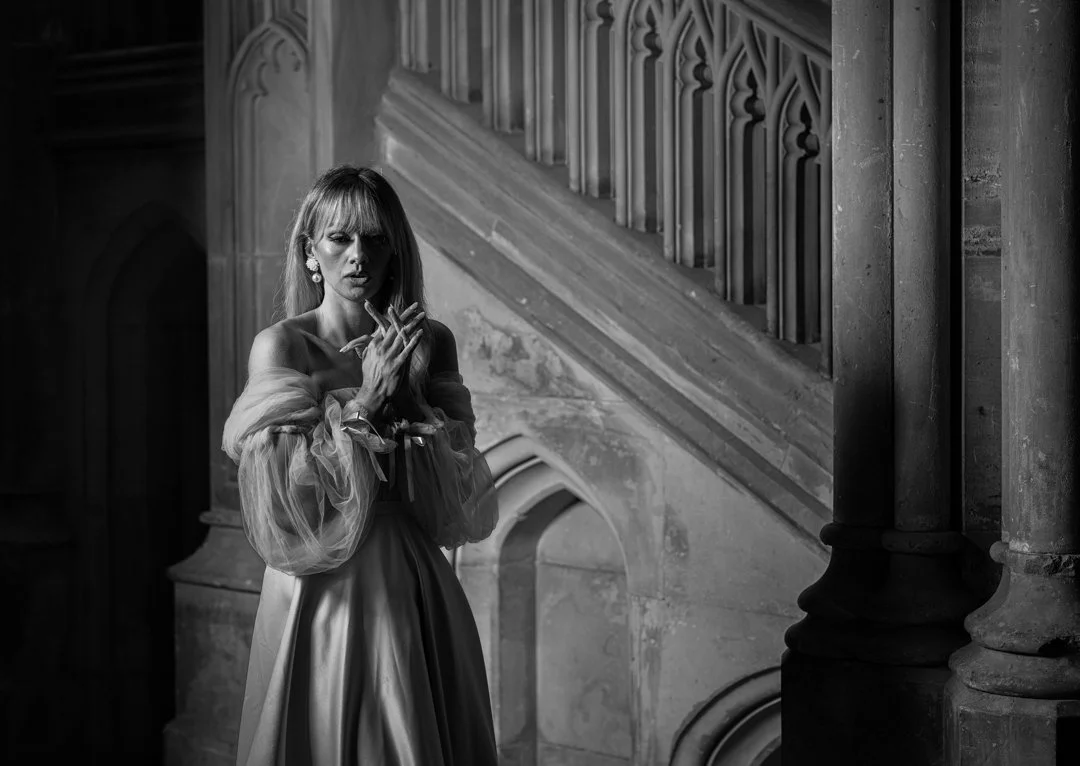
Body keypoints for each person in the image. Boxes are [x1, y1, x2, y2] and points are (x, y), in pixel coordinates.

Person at [221, 165, 500, 765]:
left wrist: (409, 400)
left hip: (409, 572)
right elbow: (281, 501)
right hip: (318, 580)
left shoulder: (432, 343)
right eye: (340, 238)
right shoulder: (283, 345)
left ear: (394, 249)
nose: (358, 256)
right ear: (311, 251)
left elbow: (459, 490)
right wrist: (367, 401)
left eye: (375, 238)